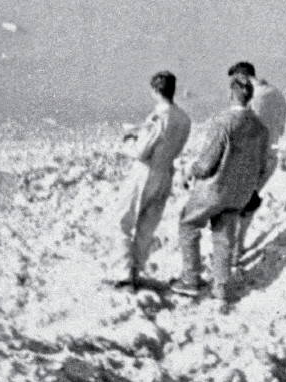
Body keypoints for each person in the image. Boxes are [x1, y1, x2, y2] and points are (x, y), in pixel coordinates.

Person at [173, 78, 271, 301]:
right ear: (250, 97)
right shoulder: (261, 128)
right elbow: (262, 166)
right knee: (224, 236)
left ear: (230, 95)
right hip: (241, 193)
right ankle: (221, 286)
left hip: (215, 189)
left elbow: (206, 165)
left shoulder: (223, 123)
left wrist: (189, 171)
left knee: (188, 224)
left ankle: (191, 279)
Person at [115, 70, 191, 289]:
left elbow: (141, 151)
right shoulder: (184, 119)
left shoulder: (158, 117)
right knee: (147, 226)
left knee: (123, 220)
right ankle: (136, 270)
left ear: (156, 91)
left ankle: (123, 273)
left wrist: (129, 141)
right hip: (165, 172)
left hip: (145, 172)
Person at [229, 61, 286, 265]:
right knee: (250, 201)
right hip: (271, 157)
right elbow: (281, 129)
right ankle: (239, 246)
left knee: (237, 204)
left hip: (251, 158)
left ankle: (234, 253)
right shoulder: (277, 94)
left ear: (241, 78)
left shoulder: (250, 99)